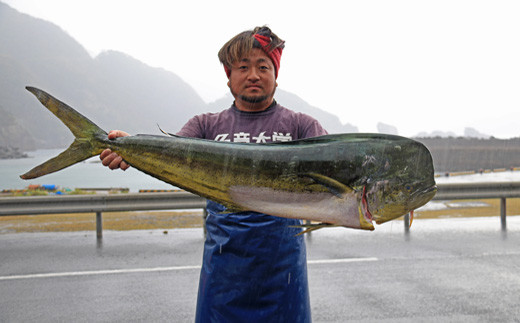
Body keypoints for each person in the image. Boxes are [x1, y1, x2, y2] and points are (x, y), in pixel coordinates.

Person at [100, 26, 328, 322]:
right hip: (224, 272)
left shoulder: (302, 127)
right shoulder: (206, 126)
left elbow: (335, 176)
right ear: (229, 76)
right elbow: (168, 153)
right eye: (243, 67)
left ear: (276, 73)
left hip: (283, 272)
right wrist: (129, 147)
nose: (254, 75)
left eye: (263, 66)